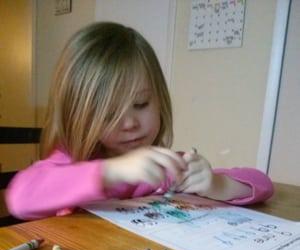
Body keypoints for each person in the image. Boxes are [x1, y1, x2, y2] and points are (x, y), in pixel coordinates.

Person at [6, 22, 273, 221]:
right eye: (109, 114)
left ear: (160, 100)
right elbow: (20, 196)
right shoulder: (70, 162)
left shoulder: (163, 167)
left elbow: (262, 183)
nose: (130, 123)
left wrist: (216, 184)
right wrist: (112, 171)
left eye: (141, 104)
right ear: (80, 114)